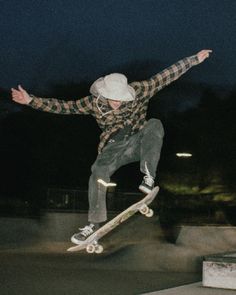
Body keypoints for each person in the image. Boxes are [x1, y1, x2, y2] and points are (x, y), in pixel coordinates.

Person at [11, 49, 212, 244]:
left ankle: (148, 176)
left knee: (155, 124)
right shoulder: (93, 102)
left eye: (121, 98)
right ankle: (93, 225)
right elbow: (65, 107)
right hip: (113, 146)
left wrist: (194, 59)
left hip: (137, 142)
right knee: (97, 171)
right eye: (112, 98)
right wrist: (31, 101)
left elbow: (166, 75)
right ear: (103, 93)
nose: (116, 102)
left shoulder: (141, 90)